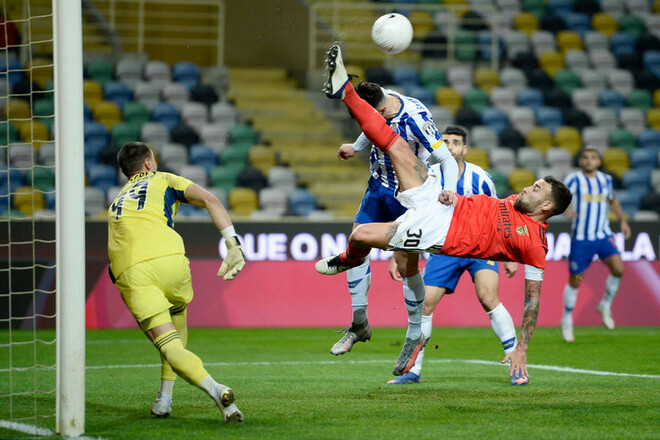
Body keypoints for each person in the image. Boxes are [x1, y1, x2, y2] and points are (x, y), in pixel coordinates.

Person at [317, 45, 572, 384]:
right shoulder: (514, 201)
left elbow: (532, 301)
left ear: (546, 208)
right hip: (441, 201)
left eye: (536, 189)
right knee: (397, 146)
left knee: (360, 236)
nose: (527, 188)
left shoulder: (535, 244)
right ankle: (347, 91)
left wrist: (522, 347)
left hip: (439, 231)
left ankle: (355, 265)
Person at [107, 142, 246, 423]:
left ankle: (215, 389)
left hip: (133, 270)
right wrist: (233, 245)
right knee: (176, 322)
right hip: (172, 262)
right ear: (148, 163)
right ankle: (165, 399)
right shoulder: (164, 179)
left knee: (167, 344)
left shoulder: (116, 203)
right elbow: (210, 200)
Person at [386, 126, 519, 385]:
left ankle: (516, 363)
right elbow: (414, 215)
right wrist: (397, 256)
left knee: (488, 297)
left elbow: (499, 215)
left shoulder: (480, 177)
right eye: (445, 141)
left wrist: (509, 254)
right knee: (424, 304)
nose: (449, 146)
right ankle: (413, 370)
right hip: (444, 248)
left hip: (480, 246)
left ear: (464, 149)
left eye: (455, 142)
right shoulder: (429, 175)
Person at [330, 81, 451, 359]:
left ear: (382, 111)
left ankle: (415, 333)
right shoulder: (382, 97)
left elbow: (444, 158)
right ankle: (359, 324)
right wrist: (357, 146)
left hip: (409, 196)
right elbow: (371, 125)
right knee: (356, 244)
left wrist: (448, 190)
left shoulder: (415, 118)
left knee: (406, 264)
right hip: (378, 186)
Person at [560, 147, 631, 342]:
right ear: (580, 161)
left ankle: (605, 305)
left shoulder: (606, 180)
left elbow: (613, 201)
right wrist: (566, 209)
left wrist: (623, 221)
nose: (589, 160)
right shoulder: (574, 179)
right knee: (577, 279)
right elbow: (561, 196)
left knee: (618, 269)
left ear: (599, 161)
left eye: (593, 157)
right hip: (581, 239)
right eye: (585, 157)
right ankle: (567, 319)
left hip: (603, 236)